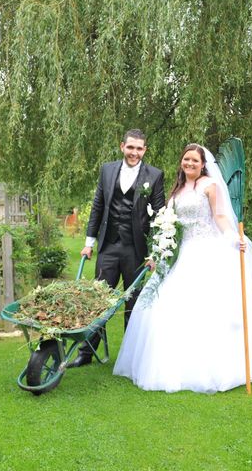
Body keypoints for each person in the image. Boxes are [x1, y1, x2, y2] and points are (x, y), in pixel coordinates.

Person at [113, 143, 252, 392]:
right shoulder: (177, 189)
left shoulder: (209, 186)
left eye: (195, 161)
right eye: (186, 159)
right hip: (184, 251)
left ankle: (214, 365)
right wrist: (158, 252)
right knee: (165, 303)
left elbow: (220, 216)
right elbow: (168, 225)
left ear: (203, 165)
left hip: (207, 250)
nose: (189, 163)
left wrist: (234, 238)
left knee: (207, 308)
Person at [70, 129, 165, 367]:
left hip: (136, 250)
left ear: (145, 150)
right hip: (109, 246)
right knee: (98, 300)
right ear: (122, 146)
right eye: (130, 147)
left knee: (132, 303)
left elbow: (160, 217)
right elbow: (98, 206)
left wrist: (154, 252)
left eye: (139, 148)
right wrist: (89, 244)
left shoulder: (154, 175)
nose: (134, 152)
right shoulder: (107, 170)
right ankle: (86, 352)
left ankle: (130, 355)